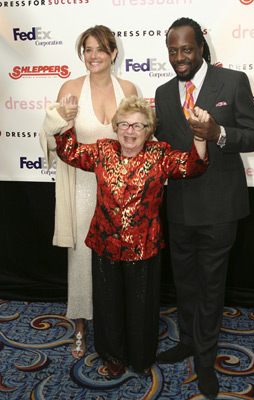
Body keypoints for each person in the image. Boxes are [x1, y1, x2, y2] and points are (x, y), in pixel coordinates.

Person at [53, 95, 208, 378]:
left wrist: (200, 135)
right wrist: (67, 118)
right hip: (104, 243)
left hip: (144, 246)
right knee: (107, 303)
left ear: (148, 130)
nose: (130, 131)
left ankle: (140, 357)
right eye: (124, 124)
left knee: (142, 306)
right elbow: (69, 152)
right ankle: (113, 355)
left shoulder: (159, 154)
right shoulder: (102, 151)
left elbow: (193, 166)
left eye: (138, 126)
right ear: (116, 128)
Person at [154, 17, 254, 398]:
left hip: (220, 207)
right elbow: (164, 148)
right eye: (172, 50)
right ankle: (187, 340)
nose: (179, 57)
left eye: (186, 49)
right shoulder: (163, 92)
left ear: (201, 48)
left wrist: (218, 133)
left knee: (211, 286)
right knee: (185, 282)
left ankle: (205, 359)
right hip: (179, 207)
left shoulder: (232, 81)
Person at [39, 25, 137, 359]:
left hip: (119, 189)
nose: (92, 56)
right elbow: (50, 138)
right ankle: (80, 326)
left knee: (117, 257)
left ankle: (116, 321)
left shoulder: (128, 88)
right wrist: (58, 119)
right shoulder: (70, 88)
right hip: (82, 186)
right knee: (81, 258)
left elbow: (140, 136)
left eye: (99, 49)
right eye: (87, 49)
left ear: (113, 53)